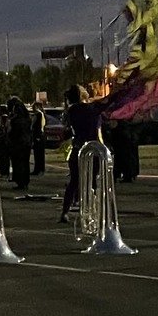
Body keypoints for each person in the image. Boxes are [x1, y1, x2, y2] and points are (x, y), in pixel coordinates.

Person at [57, 85, 104, 222]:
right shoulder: (90, 109)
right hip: (91, 149)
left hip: (77, 148)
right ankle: (91, 212)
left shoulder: (71, 110)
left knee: (74, 181)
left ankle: (65, 212)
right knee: (92, 181)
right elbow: (105, 104)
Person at [3, 97, 34, 192]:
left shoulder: (15, 120)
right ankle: (24, 181)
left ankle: (21, 181)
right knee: (25, 163)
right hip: (26, 143)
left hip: (17, 143)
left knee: (18, 163)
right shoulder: (27, 118)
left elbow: (12, 133)